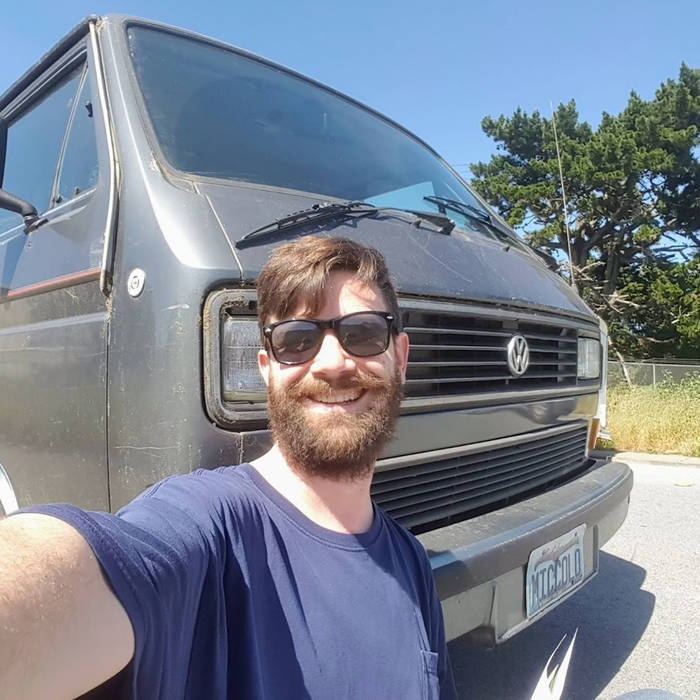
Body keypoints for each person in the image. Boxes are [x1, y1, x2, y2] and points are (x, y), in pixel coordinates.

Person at [0, 236, 457, 699]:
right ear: (267, 369)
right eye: (297, 340)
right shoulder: (209, 525)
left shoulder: (411, 562)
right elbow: (89, 568)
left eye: (362, 333)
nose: (333, 363)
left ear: (400, 358)